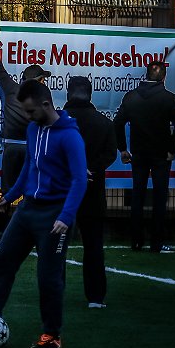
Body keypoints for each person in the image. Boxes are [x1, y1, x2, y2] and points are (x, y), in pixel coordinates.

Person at [0, 80, 87, 348]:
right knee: (2, 262)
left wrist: (66, 216)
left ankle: (52, 335)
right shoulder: (32, 129)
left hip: (55, 216)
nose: (27, 117)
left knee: (48, 277)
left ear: (45, 104)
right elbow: (30, 166)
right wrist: (10, 196)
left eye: (30, 112)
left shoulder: (70, 136)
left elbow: (79, 180)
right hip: (27, 209)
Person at [0, 20, 51, 244]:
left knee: (7, 190)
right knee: (31, 191)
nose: (45, 82)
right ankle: (28, 234)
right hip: (31, 149)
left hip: (11, 148)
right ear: (36, 80)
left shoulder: (11, 88)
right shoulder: (43, 97)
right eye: (42, 78)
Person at [113, 60, 175, 253]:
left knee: (137, 196)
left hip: (139, 154)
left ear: (146, 75)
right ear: (163, 77)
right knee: (160, 198)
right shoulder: (168, 99)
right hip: (161, 154)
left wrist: (122, 148)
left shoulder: (131, 97)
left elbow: (117, 123)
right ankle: (156, 242)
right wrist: (172, 149)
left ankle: (136, 241)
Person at [62, 76, 117, 309]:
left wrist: (73, 169)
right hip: (93, 190)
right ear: (91, 94)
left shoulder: (58, 121)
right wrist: (90, 169)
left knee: (56, 246)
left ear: (68, 94)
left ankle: (53, 292)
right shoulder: (103, 122)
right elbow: (111, 154)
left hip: (61, 190)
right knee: (93, 246)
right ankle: (95, 297)